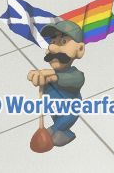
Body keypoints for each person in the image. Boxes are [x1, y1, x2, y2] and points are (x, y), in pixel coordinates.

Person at [25, 18, 86, 148]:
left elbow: (74, 80)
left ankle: (55, 130)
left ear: (80, 49)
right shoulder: (49, 73)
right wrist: (38, 77)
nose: (52, 47)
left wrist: (53, 76)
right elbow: (46, 81)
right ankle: (61, 132)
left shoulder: (76, 74)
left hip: (70, 109)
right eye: (52, 42)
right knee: (57, 130)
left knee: (58, 128)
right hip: (54, 109)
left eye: (63, 42)